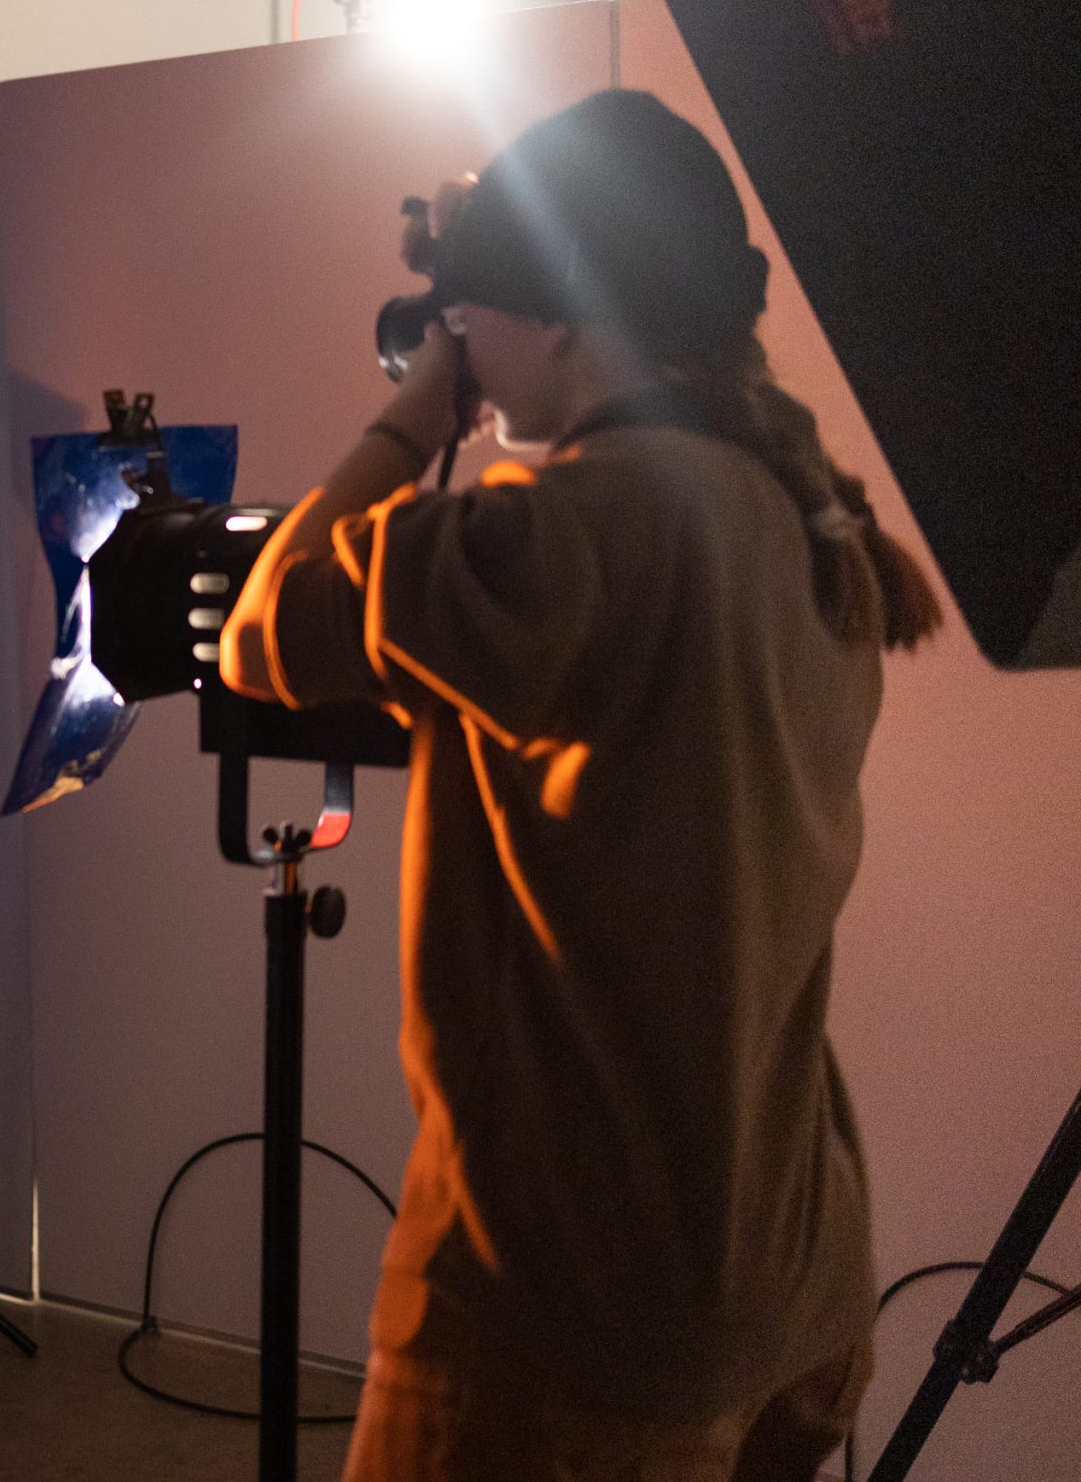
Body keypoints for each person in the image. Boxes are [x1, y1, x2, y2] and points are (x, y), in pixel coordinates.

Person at [223, 90, 942, 1481]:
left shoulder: (568, 528)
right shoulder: (805, 514)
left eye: (471, 317)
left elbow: (269, 620)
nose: (466, 353)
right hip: (789, 1277)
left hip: (575, 1309)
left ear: (551, 315)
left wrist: (407, 420)